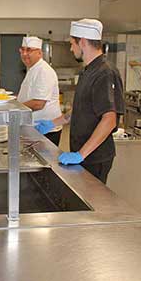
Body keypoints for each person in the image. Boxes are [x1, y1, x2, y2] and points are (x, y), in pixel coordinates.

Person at [35, 19, 124, 184]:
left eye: (72, 44)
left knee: (94, 203)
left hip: (94, 156)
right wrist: (52, 122)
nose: (71, 48)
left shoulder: (104, 73)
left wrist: (81, 154)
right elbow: (81, 108)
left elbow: (109, 120)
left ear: (82, 42)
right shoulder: (88, 71)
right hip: (83, 152)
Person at [17, 36, 63, 146]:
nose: (24, 54)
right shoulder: (33, 69)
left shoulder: (43, 71)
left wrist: (15, 108)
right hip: (34, 128)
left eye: (29, 50)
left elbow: (38, 103)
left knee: (44, 162)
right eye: (22, 50)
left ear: (39, 53)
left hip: (46, 130)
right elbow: (29, 95)